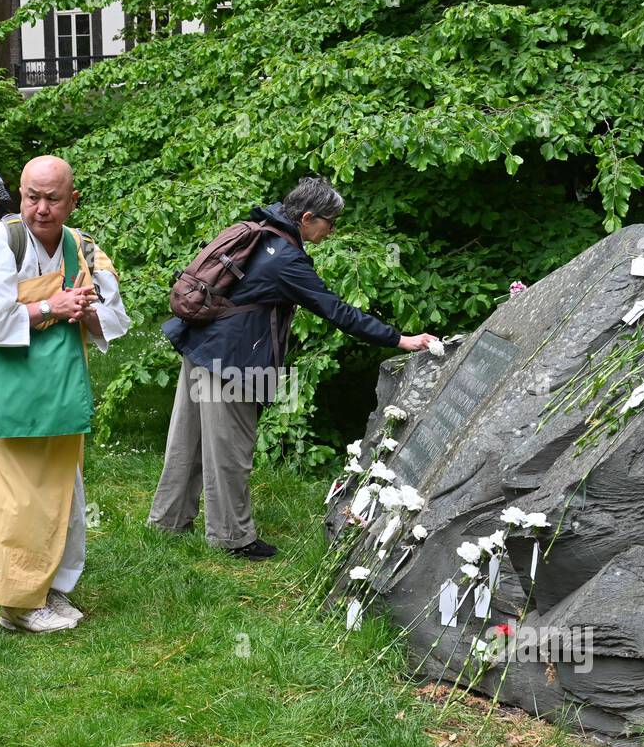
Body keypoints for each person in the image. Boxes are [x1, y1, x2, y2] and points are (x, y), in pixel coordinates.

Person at [148, 177, 438, 560]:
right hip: (233, 361)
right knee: (232, 451)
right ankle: (232, 538)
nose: (332, 230)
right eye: (330, 222)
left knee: (187, 442)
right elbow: (336, 310)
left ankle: (167, 521)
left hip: (199, 343)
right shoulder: (286, 259)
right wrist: (398, 339)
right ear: (306, 217)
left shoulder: (260, 230)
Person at [0, 155, 129, 632]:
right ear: (20, 194)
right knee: (13, 493)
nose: (41, 209)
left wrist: (85, 309)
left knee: (60, 489)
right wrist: (50, 306)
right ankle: (17, 603)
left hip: (55, 380)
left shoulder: (86, 249)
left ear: (73, 201)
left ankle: (52, 588)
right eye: (32, 197)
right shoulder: (0, 242)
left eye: (53, 199)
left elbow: (114, 315)